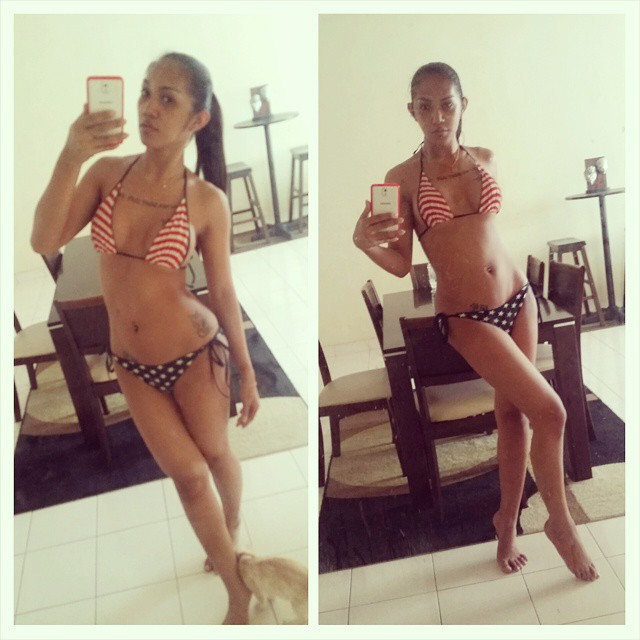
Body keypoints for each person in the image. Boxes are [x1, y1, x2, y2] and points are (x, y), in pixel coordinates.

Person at [31, 52, 260, 623]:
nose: (148, 108)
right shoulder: (106, 174)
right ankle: (239, 589)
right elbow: (44, 240)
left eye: (167, 98)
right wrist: (71, 153)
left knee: (215, 454)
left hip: (197, 353)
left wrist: (247, 368)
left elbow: (222, 291)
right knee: (189, 478)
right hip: (133, 364)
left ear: (197, 119)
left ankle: (231, 525)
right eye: (145, 92)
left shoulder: (206, 201)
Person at [352, 62, 599, 582]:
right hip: (465, 315)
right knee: (551, 410)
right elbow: (399, 263)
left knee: (515, 416)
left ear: (463, 105)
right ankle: (560, 523)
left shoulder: (486, 159)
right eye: (425, 106)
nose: (437, 116)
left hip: (519, 298)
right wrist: (362, 241)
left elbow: (484, 237)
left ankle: (505, 524)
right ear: (412, 111)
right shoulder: (401, 178)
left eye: (447, 104)